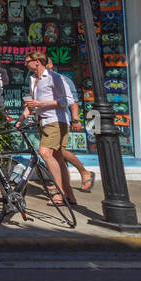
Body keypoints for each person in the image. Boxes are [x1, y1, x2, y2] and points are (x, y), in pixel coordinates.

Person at [19, 51, 94, 205]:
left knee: (44, 152)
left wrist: (42, 105)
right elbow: (32, 104)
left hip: (56, 120)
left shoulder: (56, 78)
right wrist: (20, 120)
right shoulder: (33, 80)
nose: (25, 63)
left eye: (27, 61)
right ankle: (70, 196)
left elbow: (68, 100)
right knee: (59, 158)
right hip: (43, 122)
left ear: (37, 62)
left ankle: (58, 193)